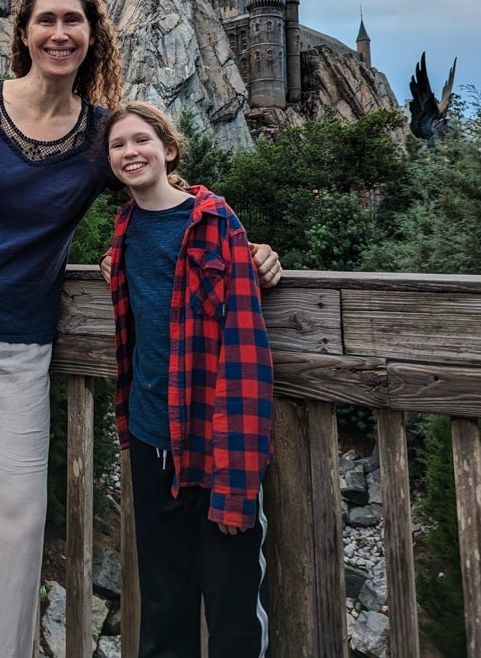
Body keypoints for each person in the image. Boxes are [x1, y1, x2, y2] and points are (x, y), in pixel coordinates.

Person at [0, 0, 281, 658]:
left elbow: (158, 185)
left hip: (17, 335)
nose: (58, 32)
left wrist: (238, 243)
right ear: (22, 32)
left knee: (12, 528)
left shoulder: (100, 133)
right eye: (44, 19)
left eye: (72, 20)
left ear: (91, 35)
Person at [104, 101, 274, 658]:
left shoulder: (217, 224)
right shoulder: (125, 230)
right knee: (163, 608)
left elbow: (246, 356)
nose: (131, 152)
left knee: (232, 617)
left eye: (141, 140)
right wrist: (110, 260)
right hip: (151, 445)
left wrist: (238, 486)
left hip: (214, 452)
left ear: (168, 149)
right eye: (118, 145)